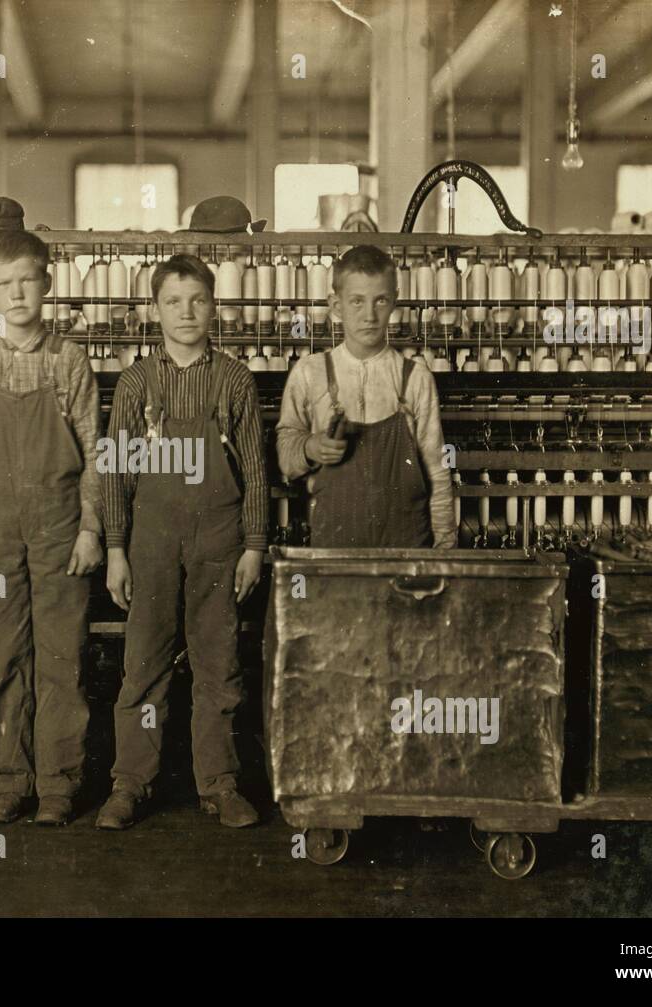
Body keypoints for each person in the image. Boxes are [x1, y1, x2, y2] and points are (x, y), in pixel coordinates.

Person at [98, 253, 267, 831]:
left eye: (197, 300)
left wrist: (255, 545)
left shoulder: (234, 380)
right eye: (174, 301)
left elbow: (256, 473)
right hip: (151, 538)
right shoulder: (135, 383)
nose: (186, 311)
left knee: (218, 662)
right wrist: (115, 549)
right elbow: (116, 473)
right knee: (143, 663)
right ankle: (131, 783)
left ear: (214, 306)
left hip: (220, 538)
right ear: (155, 310)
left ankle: (219, 785)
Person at [0, 230, 103, 827]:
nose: (17, 294)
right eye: (4, 284)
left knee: (63, 657)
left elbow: (97, 453)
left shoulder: (70, 360)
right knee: (4, 656)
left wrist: (91, 528)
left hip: (61, 530)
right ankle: (9, 780)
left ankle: (59, 784)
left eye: (27, 281)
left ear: (47, 285)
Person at [277, 244, 455, 548]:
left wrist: (446, 549)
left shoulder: (415, 378)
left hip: (407, 549)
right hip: (334, 549)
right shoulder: (309, 373)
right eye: (357, 302)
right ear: (336, 306)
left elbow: (438, 473)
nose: (369, 315)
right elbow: (285, 458)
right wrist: (310, 447)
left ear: (394, 302)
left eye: (380, 300)